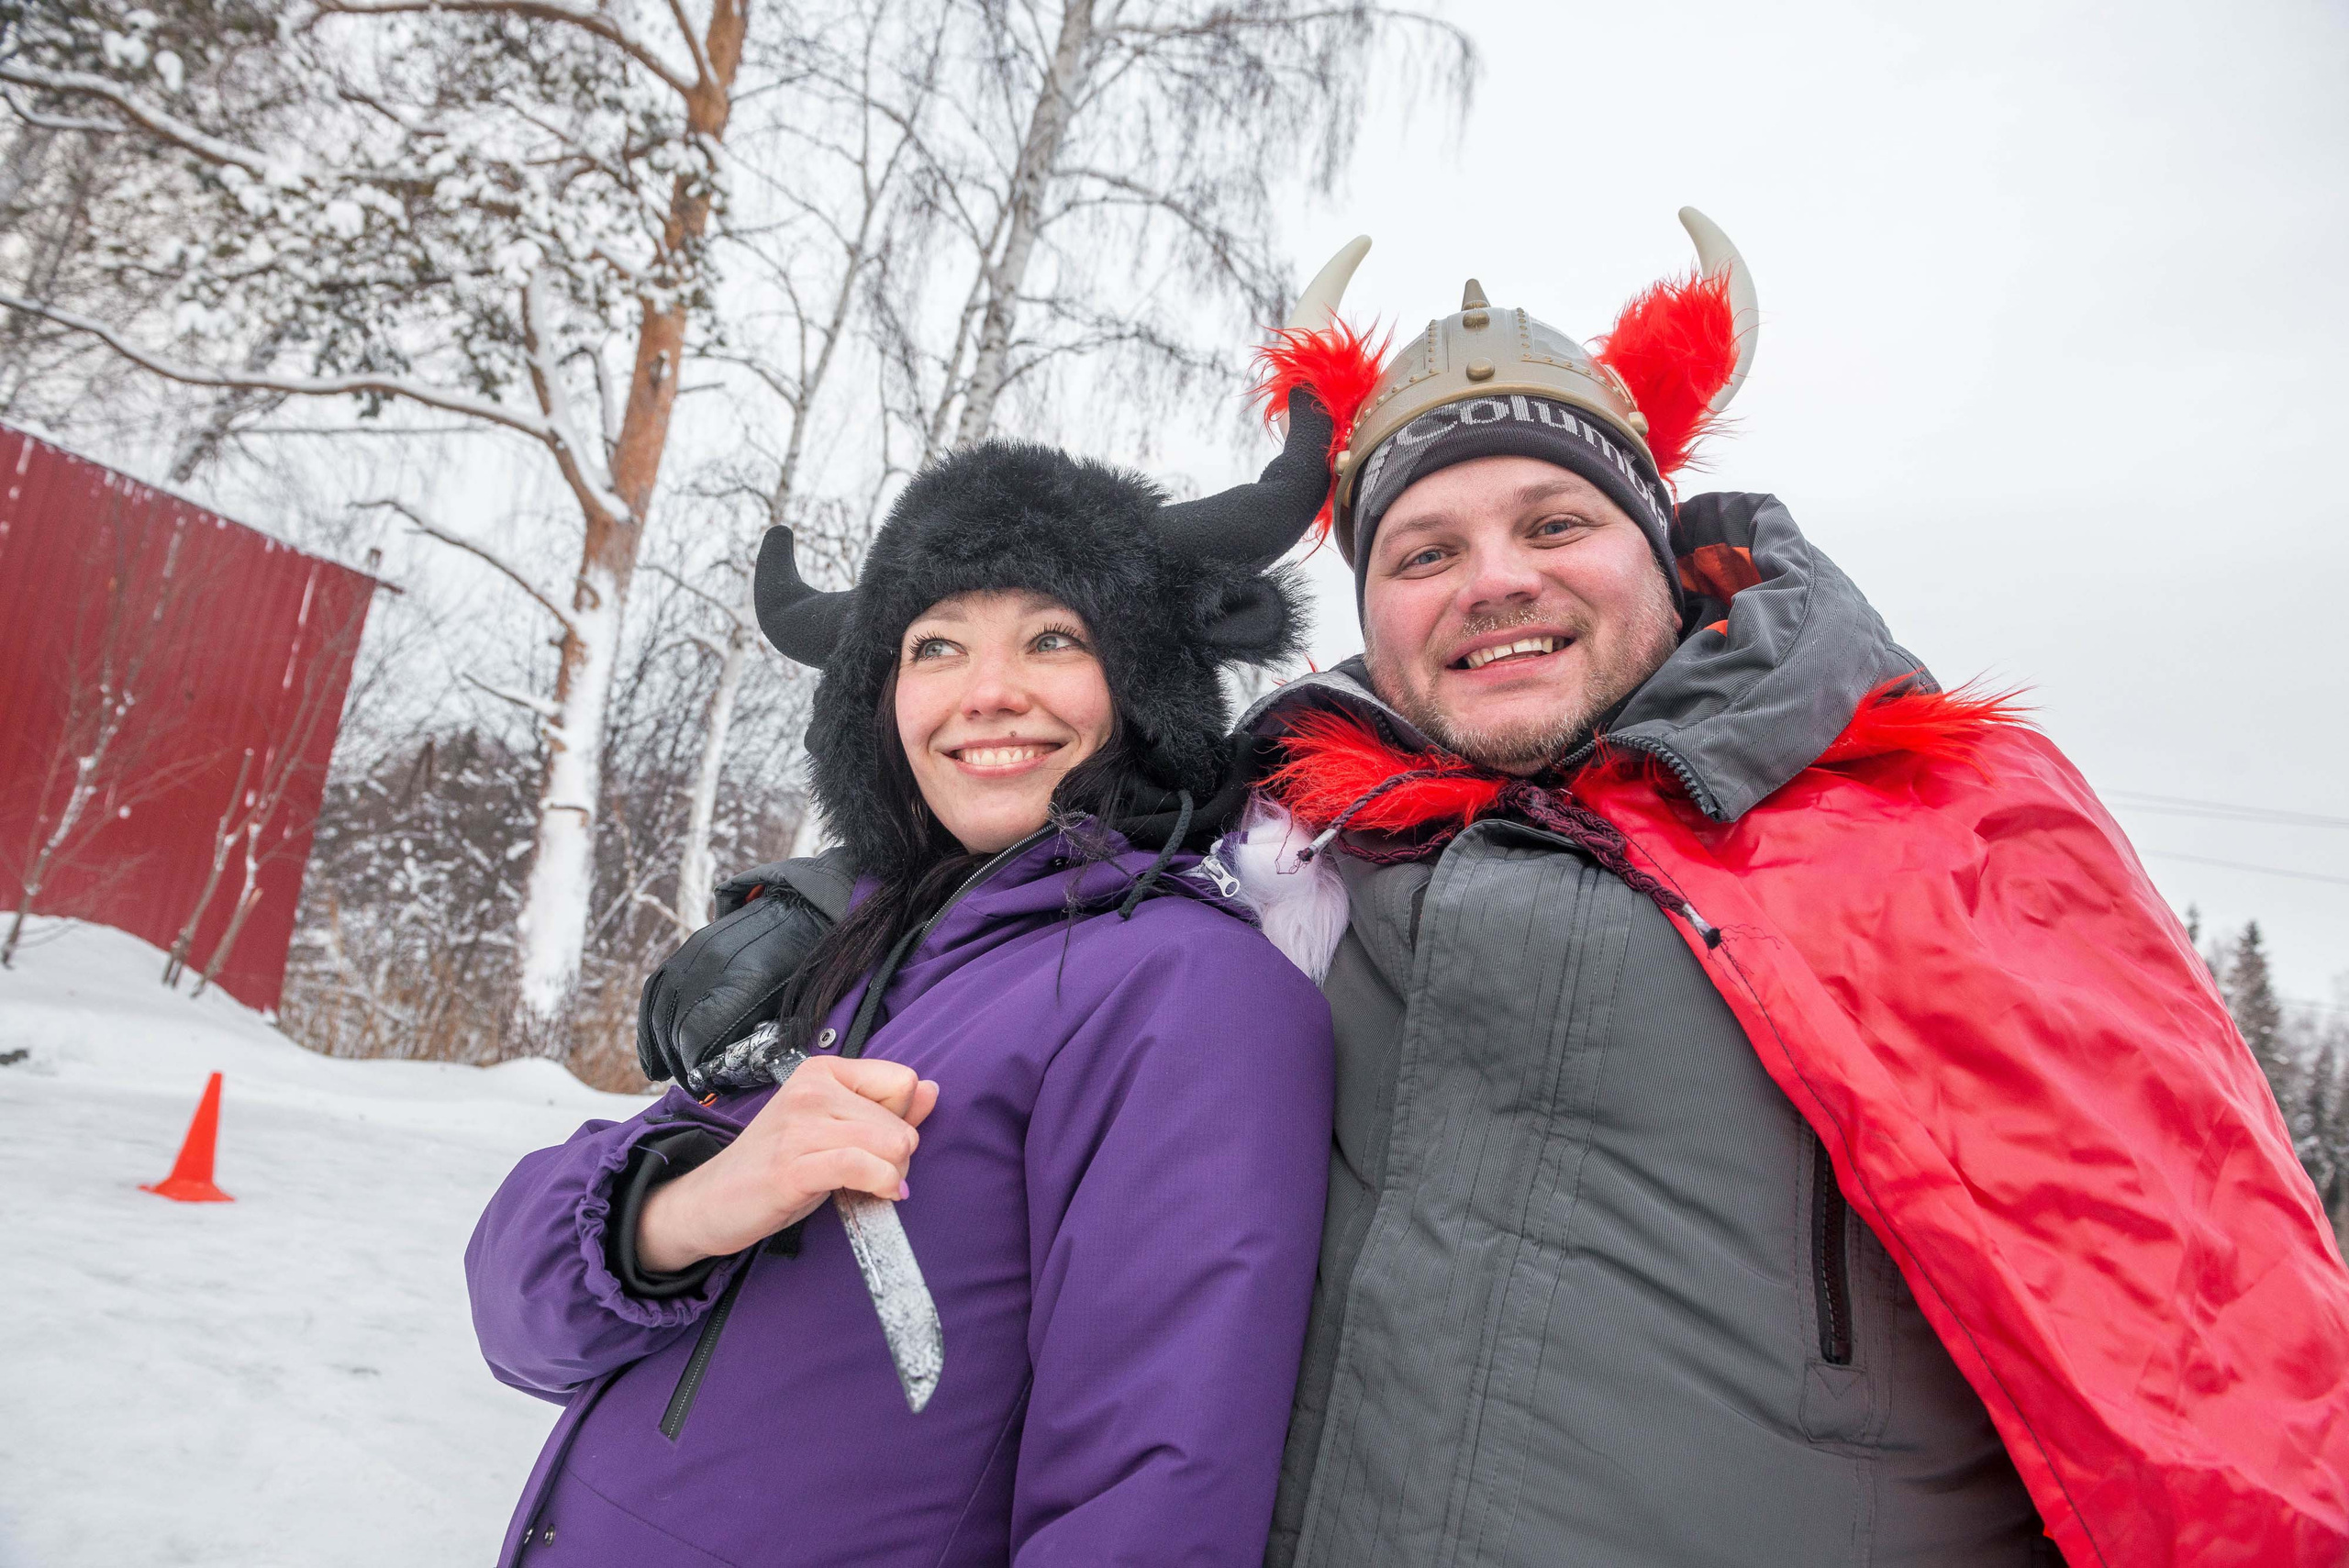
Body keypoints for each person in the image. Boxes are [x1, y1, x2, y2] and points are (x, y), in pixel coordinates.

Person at [640, 209, 2349, 1566]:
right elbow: (1044, 803)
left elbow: (2212, 1345)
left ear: (1661, 553)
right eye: (1425, 549)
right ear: (1371, 612)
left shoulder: (1922, 819)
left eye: (1554, 524)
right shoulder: (1304, 836)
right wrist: (830, 899)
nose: (1495, 581)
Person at [464, 384, 1349, 1566]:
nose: (987, 691)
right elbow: (518, 1311)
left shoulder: (1187, 992)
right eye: (936, 646)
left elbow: (1152, 1501)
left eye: (1054, 638)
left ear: (1143, 681)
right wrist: (689, 1206)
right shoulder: (860, 950)